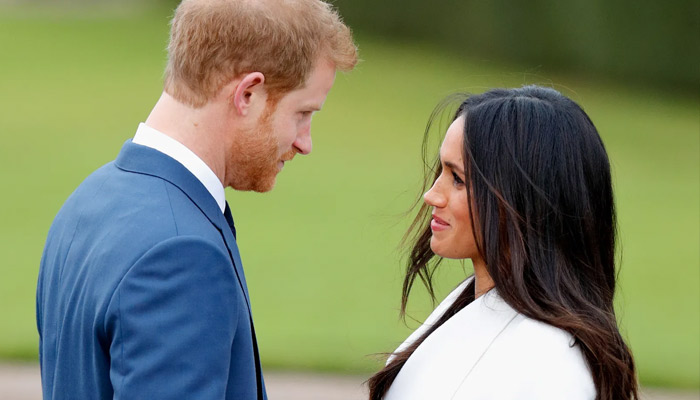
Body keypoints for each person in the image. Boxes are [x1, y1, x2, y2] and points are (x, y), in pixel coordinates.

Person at [36, 0, 357, 399]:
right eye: (303, 113)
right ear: (248, 93)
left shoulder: (87, 201)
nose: (305, 143)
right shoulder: (181, 253)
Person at [368, 86, 638, 400]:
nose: (432, 195)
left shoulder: (553, 366)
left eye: (458, 179)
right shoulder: (468, 308)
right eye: (441, 171)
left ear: (525, 201)